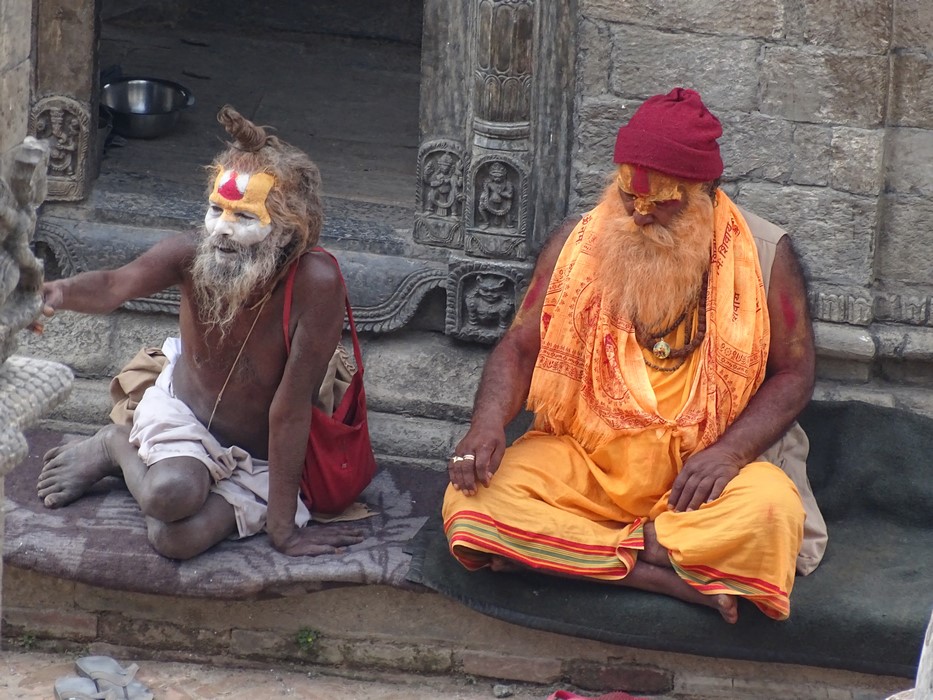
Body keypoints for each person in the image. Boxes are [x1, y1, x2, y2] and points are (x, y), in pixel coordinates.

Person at [443, 87, 827, 624]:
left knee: (771, 513)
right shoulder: (576, 243)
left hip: (700, 479)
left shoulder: (765, 255)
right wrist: (486, 424)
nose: (641, 215)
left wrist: (730, 454)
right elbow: (521, 345)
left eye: (663, 201)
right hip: (585, 463)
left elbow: (794, 372)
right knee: (469, 505)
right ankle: (660, 570)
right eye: (629, 195)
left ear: (706, 192)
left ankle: (569, 553)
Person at [36, 106, 365, 559]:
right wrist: (56, 291)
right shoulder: (190, 252)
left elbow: (289, 412)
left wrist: (282, 529)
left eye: (244, 218)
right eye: (216, 211)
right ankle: (114, 446)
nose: (223, 232)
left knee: (174, 540)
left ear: (289, 232)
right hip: (188, 421)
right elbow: (114, 286)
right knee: (164, 497)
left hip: (267, 451)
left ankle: (190, 483)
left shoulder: (317, 283)